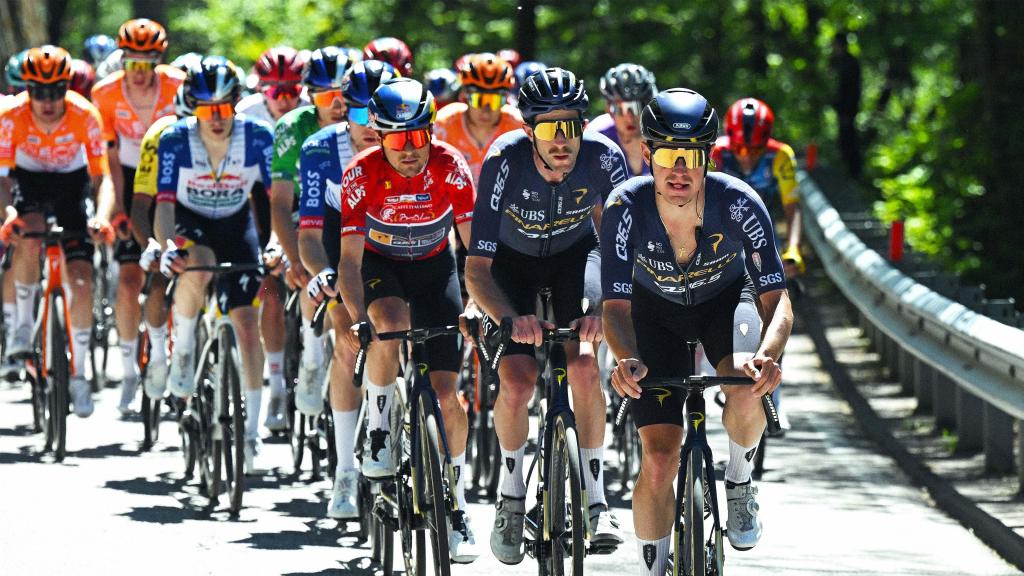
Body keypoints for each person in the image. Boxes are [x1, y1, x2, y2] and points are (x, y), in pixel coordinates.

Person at [599, 88, 793, 576]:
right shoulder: (625, 206)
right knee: (659, 460)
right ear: (648, 155)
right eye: (668, 155)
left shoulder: (739, 203)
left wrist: (769, 355)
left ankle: (740, 479)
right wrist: (624, 356)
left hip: (726, 303)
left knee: (745, 381)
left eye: (691, 156)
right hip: (654, 314)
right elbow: (615, 306)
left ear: (709, 157)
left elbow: (778, 300)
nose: (679, 170)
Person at [464, 67, 628, 565]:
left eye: (571, 126)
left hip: (577, 259)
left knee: (584, 365)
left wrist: (605, 308)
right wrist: (508, 317)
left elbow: (623, 246)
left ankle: (596, 501)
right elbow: (477, 268)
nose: (562, 140)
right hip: (510, 266)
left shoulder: (604, 158)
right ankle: (511, 495)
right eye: (549, 128)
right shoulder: (504, 160)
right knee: (517, 382)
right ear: (528, 129)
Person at [336, 77, 479, 562]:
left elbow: (475, 251)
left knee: (446, 395)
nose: (410, 149)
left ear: (431, 132)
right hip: (383, 267)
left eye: (418, 136)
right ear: (378, 137)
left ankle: (457, 504)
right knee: (389, 322)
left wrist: (477, 304)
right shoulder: (361, 174)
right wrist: (358, 317)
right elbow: (349, 262)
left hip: (437, 269)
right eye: (397, 140)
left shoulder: (450, 166)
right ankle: (379, 425)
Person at [153, 56, 273, 474]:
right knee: (198, 266)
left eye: (224, 107)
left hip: (238, 225)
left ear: (236, 104)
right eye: (206, 110)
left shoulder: (257, 137)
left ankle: (252, 430)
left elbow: (274, 199)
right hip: (192, 222)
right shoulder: (175, 139)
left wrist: (276, 245)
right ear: (193, 108)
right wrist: (167, 246)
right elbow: (163, 204)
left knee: (247, 325)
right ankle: (184, 348)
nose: (217, 118)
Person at [299, 58, 395, 519]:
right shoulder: (320, 149)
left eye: (380, 115)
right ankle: (343, 472)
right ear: (342, 110)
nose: (370, 126)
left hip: (397, 247)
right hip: (342, 249)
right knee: (348, 339)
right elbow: (309, 232)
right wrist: (322, 272)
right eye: (359, 114)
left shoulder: (411, 146)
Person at [0, 45, 116, 417]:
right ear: (27, 89)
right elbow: (2, 179)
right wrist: (8, 213)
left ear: (67, 88)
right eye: (39, 91)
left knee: (80, 280)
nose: (48, 101)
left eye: (56, 91)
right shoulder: (10, 116)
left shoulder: (85, 114)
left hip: (71, 184)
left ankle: (79, 375)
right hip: (28, 181)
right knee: (28, 233)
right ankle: (21, 328)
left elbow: (103, 178)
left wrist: (101, 217)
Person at [91, 18, 185, 414]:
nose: (140, 73)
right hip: (130, 176)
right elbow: (110, 160)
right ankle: (129, 371)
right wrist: (119, 210)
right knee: (130, 280)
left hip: (175, 175)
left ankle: (179, 352)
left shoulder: (179, 84)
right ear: (122, 61)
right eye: (132, 64)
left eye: (148, 65)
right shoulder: (105, 93)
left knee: (173, 272)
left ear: (159, 62)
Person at [266, 45, 357, 430]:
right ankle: (311, 357)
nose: (336, 105)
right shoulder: (293, 128)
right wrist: (294, 258)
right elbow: (279, 203)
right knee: (300, 275)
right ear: (309, 97)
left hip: (351, 213)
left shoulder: (369, 125)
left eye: (342, 95)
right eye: (324, 96)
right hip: (303, 213)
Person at [712, 97, 803, 430]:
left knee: (775, 313)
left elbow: (793, 208)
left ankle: (774, 396)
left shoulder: (780, 156)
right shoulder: (716, 153)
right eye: (741, 149)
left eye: (755, 149)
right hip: (723, 240)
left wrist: (794, 249)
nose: (747, 157)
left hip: (764, 241)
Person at [133, 82, 195, 400]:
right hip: (168, 210)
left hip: (213, 213)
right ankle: (158, 354)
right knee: (161, 275)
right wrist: (150, 244)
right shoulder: (160, 135)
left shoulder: (234, 136)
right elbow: (141, 203)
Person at [434, 53, 522, 184]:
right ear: (464, 95)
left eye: (494, 101)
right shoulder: (443, 123)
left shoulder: (519, 126)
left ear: (506, 99)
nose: (486, 110)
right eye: (478, 100)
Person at [587, 63, 657, 178]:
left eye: (636, 107)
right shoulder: (595, 136)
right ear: (609, 109)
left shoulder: (664, 135)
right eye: (620, 109)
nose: (629, 118)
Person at [235, 46, 309, 126]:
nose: (284, 102)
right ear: (260, 88)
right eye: (274, 93)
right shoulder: (243, 113)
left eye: (292, 92)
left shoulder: (314, 110)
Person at [831, 32, 862, 179]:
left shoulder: (851, 63)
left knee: (849, 138)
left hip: (848, 109)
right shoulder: (837, 61)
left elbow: (853, 90)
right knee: (843, 139)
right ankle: (848, 171)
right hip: (841, 108)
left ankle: (854, 172)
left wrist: (848, 110)